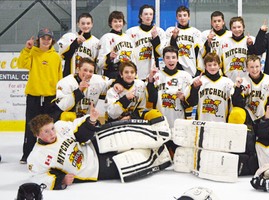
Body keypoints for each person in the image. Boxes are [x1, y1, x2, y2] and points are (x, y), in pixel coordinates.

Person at [27, 104, 172, 190]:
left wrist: (91, 120)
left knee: (130, 137)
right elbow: (39, 177)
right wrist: (60, 181)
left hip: (94, 145)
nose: (52, 133)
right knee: (133, 160)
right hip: (95, 169)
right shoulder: (37, 157)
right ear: (37, 135)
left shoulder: (60, 127)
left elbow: (80, 131)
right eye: (46, 132)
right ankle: (168, 154)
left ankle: (163, 136)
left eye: (51, 128)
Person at [17, 28, 63, 164]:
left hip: (50, 97)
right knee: (31, 125)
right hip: (34, 96)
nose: (46, 40)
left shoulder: (56, 56)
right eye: (43, 38)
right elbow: (21, 64)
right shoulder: (32, 53)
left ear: (52, 41)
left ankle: (48, 153)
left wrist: (59, 93)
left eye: (49, 38)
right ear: (39, 40)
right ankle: (27, 154)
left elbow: (59, 76)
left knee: (49, 126)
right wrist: (26, 49)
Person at [184, 52, 240, 122]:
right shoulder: (198, 80)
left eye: (215, 64)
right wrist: (194, 88)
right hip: (202, 123)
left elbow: (236, 103)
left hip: (222, 124)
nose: (212, 67)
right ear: (205, 66)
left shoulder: (227, 82)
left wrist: (238, 88)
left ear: (219, 65)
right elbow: (190, 103)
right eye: (209, 65)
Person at [147, 46, 193, 128]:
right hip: (160, 121)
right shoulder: (156, 76)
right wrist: (150, 80)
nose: (171, 60)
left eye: (173, 57)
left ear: (177, 59)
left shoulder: (186, 76)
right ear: (163, 59)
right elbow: (151, 99)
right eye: (167, 57)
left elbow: (191, 103)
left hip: (179, 121)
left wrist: (183, 99)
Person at [53, 58, 112, 122]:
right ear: (78, 69)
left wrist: (118, 84)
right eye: (85, 70)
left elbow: (111, 83)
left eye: (91, 71)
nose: (88, 73)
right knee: (66, 116)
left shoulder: (97, 80)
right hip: (68, 121)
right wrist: (79, 91)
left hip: (87, 119)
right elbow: (62, 106)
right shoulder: (66, 82)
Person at [234, 54, 269, 123]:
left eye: (257, 66)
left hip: (266, 119)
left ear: (261, 66)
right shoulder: (243, 82)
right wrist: (238, 88)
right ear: (247, 68)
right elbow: (236, 104)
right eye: (251, 67)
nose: (255, 70)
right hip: (249, 119)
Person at [126, 4, 166, 80]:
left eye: (151, 14)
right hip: (137, 71)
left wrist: (155, 39)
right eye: (146, 14)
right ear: (141, 16)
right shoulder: (131, 32)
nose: (148, 16)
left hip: (154, 71)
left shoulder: (160, 32)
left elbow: (161, 53)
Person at [165, 5, 203, 77]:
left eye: (185, 15)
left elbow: (199, 53)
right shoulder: (170, 30)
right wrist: (174, 37)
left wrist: (199, 69)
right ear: (177, 18)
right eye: (180, 16)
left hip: (191, 67)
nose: (182, 18)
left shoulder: (195, 32)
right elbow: (166, 51)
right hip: (175, 66)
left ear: (189, 17)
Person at [97, 11, 136, 79]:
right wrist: (109, 57)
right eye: (115, 21)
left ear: (123, 23)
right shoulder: (106, 37)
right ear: (110, 23)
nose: (118, 24)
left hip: (128, 72)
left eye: (120, 21)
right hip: (113, 72)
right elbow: (100, 63)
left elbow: (133, 58)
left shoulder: (128, 38)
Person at [217, 16, 254, 82]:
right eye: (234, 27)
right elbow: (219, 62)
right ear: (230, 29)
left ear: (244, 27)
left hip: (247, 80)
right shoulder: (224, 42)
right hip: (228, 80)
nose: (237, 30)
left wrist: (251, 46)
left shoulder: (251, 40)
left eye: (239, 27)